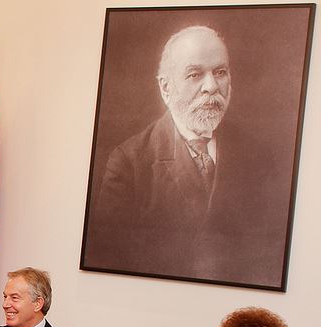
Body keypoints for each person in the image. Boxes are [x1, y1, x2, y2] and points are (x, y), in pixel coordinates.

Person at [84, 25, 287, 286]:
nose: (211, 86)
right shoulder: (128, 163)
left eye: (220, 72)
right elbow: (109, 261)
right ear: (166, 87)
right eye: (194, 74)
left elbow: (269, 254)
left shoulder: (260, 158)